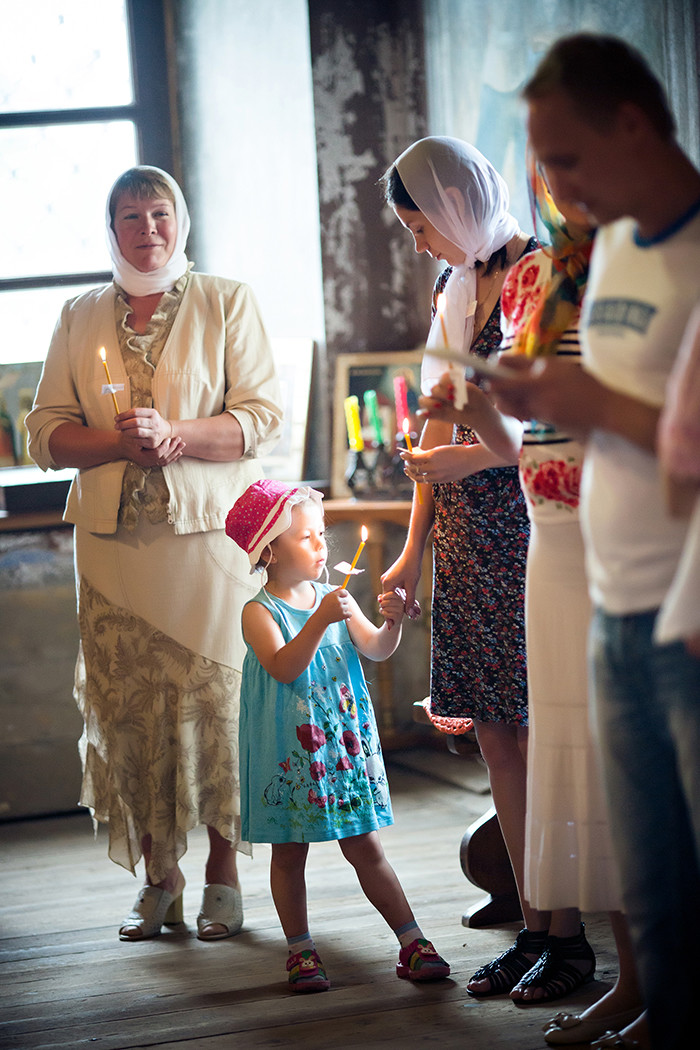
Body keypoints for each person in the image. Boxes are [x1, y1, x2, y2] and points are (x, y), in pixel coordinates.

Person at [486, 33, 700, 1050]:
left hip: (685, 605)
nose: (555, 186)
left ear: (631, 122)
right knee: (651, 873)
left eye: (566, 158)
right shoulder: (609, 246)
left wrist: (591, 405)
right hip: (607, 592)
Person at [26, 166, 283, 942]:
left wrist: (177, 436)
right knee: (131, 714)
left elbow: (262, 416)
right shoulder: (78, 315)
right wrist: (117, 443)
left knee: (215, 709)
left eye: (161, 213)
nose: (148, 229)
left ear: (183, 221)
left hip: (207, 546)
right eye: (132, 216)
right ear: (112, 229)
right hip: (112, 549)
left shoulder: (226, 299)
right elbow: (43, 434)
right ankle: (159, 879)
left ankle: (223, 877)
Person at [426, 155, 644, 1038]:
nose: (554, 188)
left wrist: (481, 424)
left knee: (602, 753)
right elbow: (527, 432)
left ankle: (609, 959)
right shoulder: (525, 282)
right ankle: (561, 939)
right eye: (543, 166)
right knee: (550, 747)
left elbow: (606, 418)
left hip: (588, 529)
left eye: (570, 163)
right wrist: (475, 412)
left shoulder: (625, 275)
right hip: (542, 529)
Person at [379, 136, 549, 998]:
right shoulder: (456, 285)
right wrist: (413, 549)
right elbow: (435, 428)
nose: (421, 247)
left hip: (529, 529)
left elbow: (548, 423)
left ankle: (566, 928)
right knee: (494, 736)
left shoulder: (536, 276)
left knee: (540, 734)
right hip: (465, 539)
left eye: (421, 227)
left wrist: (468, 461)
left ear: (455, 204)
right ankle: (532, 924)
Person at [224, 479, 450, 993]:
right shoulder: (259, 612)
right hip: (290, 755)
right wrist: (319, 621)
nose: (321, 545)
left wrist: (392, 623)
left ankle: (413, 941)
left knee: (366, 846)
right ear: (268, 551)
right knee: (289, 853)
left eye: (321, 534)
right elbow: (284, 667)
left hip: (341, 749)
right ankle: (301, 950)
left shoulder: (335, 597)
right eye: (306, 537)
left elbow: (376, 649)